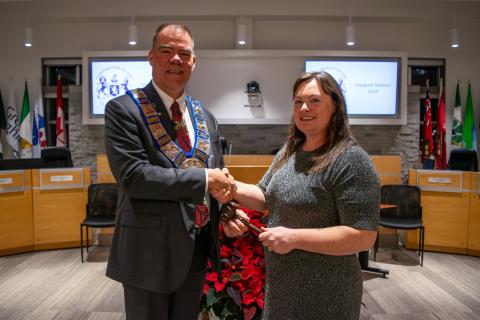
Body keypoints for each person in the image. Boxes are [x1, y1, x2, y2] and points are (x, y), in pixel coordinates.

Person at [104, 23, 248, 320]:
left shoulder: (204, 115)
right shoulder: (123, 110)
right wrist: (207, 179)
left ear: (194, 62)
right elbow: (134, 177)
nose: (176, 59)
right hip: (148, 252)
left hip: (195, 249)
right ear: (151, 57)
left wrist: (226, 211)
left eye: (184, 53)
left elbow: (215, 174)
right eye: (166, 51)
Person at [221, 71, 380, 320]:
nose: (304, 108)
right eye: (298, 101)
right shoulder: (290, 151)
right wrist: (229, 186)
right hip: (282, 287)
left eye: (314, 100)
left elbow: (363, 236)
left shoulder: (351, 159)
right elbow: (265, 195)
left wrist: (294, 238)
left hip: (327, 294)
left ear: (335, 106)